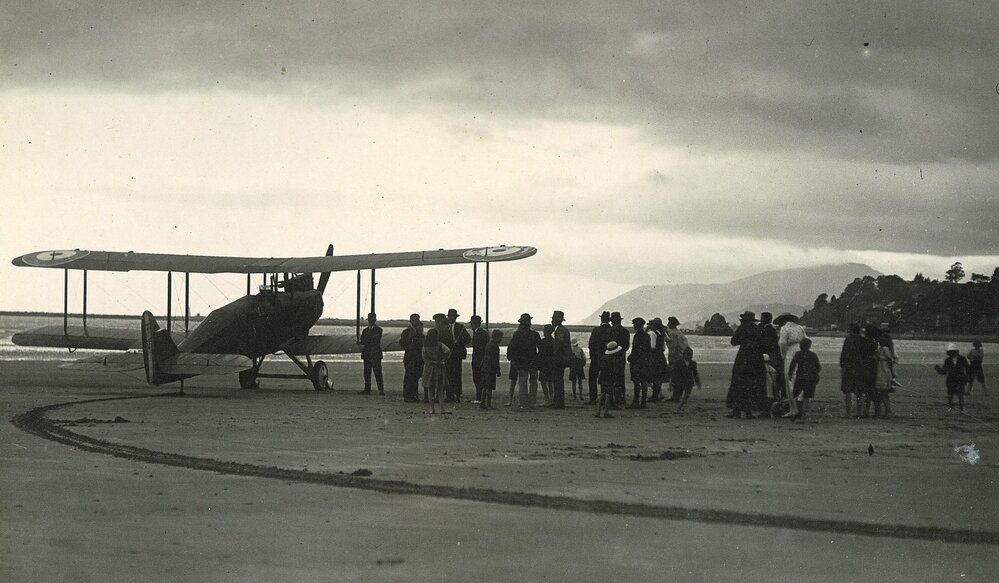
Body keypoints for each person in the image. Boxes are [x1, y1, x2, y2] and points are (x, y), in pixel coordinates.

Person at [725, 311, 766, 419]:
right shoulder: (757, 329)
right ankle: (748, 411)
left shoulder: (742, 328)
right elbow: (762, 344)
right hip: (755, 359)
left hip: (743, 358)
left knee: (737, 383)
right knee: (751, 385)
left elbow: (733, 342)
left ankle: (736, 410)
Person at [506, 313, 540, 411]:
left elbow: (511, 348)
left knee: (523, 382)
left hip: (521, 362)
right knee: (533, 382)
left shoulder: (517, 334)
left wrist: (512, 359)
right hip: (533, 362)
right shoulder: (535, 334)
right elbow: (541, 348)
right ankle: (532, 402)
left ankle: (523, 402)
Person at [776, 313, 807, 416]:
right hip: (801, 352)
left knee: (789, 377)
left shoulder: (785, 328)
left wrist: (783, 355)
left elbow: (782, 343)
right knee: (799, 376)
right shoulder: (800, 328)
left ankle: (793, 409)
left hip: (791, 351)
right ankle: (800, 406)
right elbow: (806, 340)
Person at [787, 338, 820, 420]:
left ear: (801, 346)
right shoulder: (813, 355)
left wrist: (790, 374)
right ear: (809, 346)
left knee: (796, 395)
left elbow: (793, 364)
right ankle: (803, 415)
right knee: (806, 397)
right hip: (811, 378)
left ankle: (798, 412)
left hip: (801, 377)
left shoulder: (798, 354)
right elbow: (818, 367)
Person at [839, 323, 867, 418]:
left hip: (849, 367)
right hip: (860, 368)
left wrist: (842, 366)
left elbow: (844, 354)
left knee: (848, 391)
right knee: (859, 391)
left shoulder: (848, 339)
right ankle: (859, 413)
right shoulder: (863, 340)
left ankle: (848, 413)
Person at [443, 308, 471, 403]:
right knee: (448, 375)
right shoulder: (445, 327)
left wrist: (459, 342)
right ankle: (449, 395)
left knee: (457, 375)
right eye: (450, 316)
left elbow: (468, 339)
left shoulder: (460, 327)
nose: (452, 318)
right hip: (447, 355)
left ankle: (457, 395)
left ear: (455, 317)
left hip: (457, 355)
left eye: (453, 317)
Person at [421, 328, 451, 414]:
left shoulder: (425, 346)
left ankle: (432, 409)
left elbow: (424, 357)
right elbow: (448, 351)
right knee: (440, 390)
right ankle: (442, 409)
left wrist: (429, 362)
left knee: (430, 389)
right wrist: (443, 359)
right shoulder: (439, 344)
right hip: (439, 367)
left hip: (429, 368)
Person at [548, 310, 573, 409]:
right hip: (562, 359)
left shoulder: (560, 331)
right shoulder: (562, 330)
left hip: (559, 359)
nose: (551, 321)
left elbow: (559, 344)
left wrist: (554, 356)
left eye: (553, 319)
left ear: (556, 320)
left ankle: (558, 402)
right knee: (558, 380)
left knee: (557, 380)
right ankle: (558, 401)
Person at [935, 343, 970, 412]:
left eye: (953, 351)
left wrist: (966, 378)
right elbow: (944, 371)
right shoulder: (947, 360)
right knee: (950, 396)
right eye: (950, 352)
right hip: (950, 380)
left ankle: (961, 410)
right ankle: (951, 408)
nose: (952, 353)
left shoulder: (962, 359)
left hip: (960, 379)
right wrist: (938, 369)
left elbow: (967, 368)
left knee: (960, 395)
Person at [587, 311, 612, 404]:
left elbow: (591, 344)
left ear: (601, 319)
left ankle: (593, 398)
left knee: (592, 378)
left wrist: (593, 356)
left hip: (596, 358)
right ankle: (605, 398)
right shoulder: (611, 330)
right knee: (605, 379)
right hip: (607, 357)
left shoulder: (596, 330)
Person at [627, 317, 652, 409]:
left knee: (636, 381)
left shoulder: (638, 335)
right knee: (643, 381)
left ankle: (636, 401)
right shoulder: (647, 335)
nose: (633, 325)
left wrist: (631, 357)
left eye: (634, 324)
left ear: (638, 325)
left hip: (637, 362)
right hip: (644, 361)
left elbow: (636, 350)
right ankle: (643, 402)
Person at [399, 313, 424, 403]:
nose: (415, 321)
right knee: (409, 377)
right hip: (410, 357)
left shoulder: (419, 331)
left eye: (416, 319)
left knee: (415, 377)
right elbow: (402, 343)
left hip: (417, 357)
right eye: (413, 320)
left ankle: (414, 395)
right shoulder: (406, 332)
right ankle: (408, 395)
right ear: (410, 321)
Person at [358, 312, 384, 395]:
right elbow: (363, 341)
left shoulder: (379, 330)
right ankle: (367, 389)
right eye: (370, 319)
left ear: (375, 320)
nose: (371, 321)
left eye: (372, 319)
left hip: (375, 354)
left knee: (378, 372)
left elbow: (374, 340)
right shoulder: (365, 330)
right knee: (367, 372)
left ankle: (381, 389)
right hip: (367, 354)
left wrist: (364, 342)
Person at [595, 341, 624, 419]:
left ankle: (598, 411)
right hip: (609, 377)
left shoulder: (603, 357)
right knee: (608, 394)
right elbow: (615, 370)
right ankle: (606, 412)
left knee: (602, 393)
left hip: (602, 376)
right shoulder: (613, 359)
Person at [759, 312, 782, 402]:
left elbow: (767, 344)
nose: (760, 320)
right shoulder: (770, 329)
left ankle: (770, 398)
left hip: (769, 356)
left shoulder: (768, 330)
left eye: (762, 318)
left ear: (765, 319)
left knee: (769, 378)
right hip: (771, 355)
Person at [665, 316, 689, 402]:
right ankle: (677, 396)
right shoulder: (678, 333)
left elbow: (673, 347)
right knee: (679, 378)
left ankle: (676, 397)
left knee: (676, 378)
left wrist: (671, 359)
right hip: (683, 356)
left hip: (677, 357)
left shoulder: (673, 334)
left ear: (671, 324)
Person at [647, 317, 670, 402]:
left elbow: (652, 346)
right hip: (661, 355)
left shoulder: (652, 333)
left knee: (654, 376)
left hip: (654, 356)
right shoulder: (661, 333)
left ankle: (655, 395)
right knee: (659, 377)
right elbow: (668, 340)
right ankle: (658, 394)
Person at [479, 329, 503, 410]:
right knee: (489, 387)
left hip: (485, 367)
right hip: (490, 369)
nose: (501, 340)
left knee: (485, 387)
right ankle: (488, 404)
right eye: (500, 338)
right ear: (496, 337)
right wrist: (498, 370)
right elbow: (495, 360)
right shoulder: (494, 346)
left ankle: (482, 403)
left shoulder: (488, 344)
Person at [871, 335, 894, 418]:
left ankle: (888, 411)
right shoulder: (881, 349)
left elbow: (890, 360)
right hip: (881, 370)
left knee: (883, 392)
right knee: (883, 392)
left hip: (883, 371)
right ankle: (887, 411)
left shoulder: (884, 349)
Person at [609, 312, 630, 406]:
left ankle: (616, 399)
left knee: (614, 378)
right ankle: (621, 398)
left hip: (614, 357)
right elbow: (626, 346)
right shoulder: (625, 331)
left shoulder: (612, 331)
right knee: (620, 378)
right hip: (621, 357)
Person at [469, 315, 490, 404]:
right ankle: (480, 397)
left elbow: (479, 348)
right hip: (479, 359)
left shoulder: (479, 334)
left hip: (478, 360)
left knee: (478, 379)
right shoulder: (483, 333)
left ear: (474, 324)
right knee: (479, 379)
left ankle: (479, 397)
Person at [674, 346, 702, 411]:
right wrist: (672, 383)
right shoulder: (678, 362)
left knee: (687, 395)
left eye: (691, 355)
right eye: (688, 355)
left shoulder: (693, 363)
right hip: (680, 380)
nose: (689, 356)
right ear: (684, 355)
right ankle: (679, 405)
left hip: (689, 381)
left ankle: (680, 407)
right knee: (677, 396)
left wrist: (698, 383)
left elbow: (695, 374)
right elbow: (675, 373)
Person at [537, 324, 555, 407]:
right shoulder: (554, 341)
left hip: (544, 364)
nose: (543, 331)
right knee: (550, 382)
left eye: (544, 330)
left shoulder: (543, 341)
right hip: (551, 363)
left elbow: (540, 353)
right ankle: (551, 398)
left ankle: (547, 398)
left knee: (543, 382)